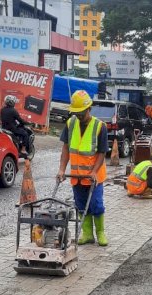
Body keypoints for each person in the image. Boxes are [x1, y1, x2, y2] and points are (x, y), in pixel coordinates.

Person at [57, 90, 109, 246]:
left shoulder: (100, 126)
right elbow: (66, 149)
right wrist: (61, 169)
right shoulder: (70, 124)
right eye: (76, 112)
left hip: (94, 176)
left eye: (81, 112)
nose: (78, 115)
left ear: (89, 109)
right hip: (77, 176)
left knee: (96, 205)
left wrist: (93, 172)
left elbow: (101, 152)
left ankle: (100, 233)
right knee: (80, 205)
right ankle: (87, 234)